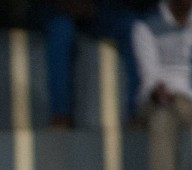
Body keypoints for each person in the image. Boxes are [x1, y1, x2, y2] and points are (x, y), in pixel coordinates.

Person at [34, 0, 147, 129]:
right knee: (62, 29)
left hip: (94, 8)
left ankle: (137, 113)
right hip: (49, 8)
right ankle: (60, 116)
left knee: (133, 25)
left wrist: (88, 7)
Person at [133, 0, 192, 170]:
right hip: (161, 98)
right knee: (162, 118)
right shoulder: (147, 26)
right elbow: (150, 76)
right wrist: (160, 92)